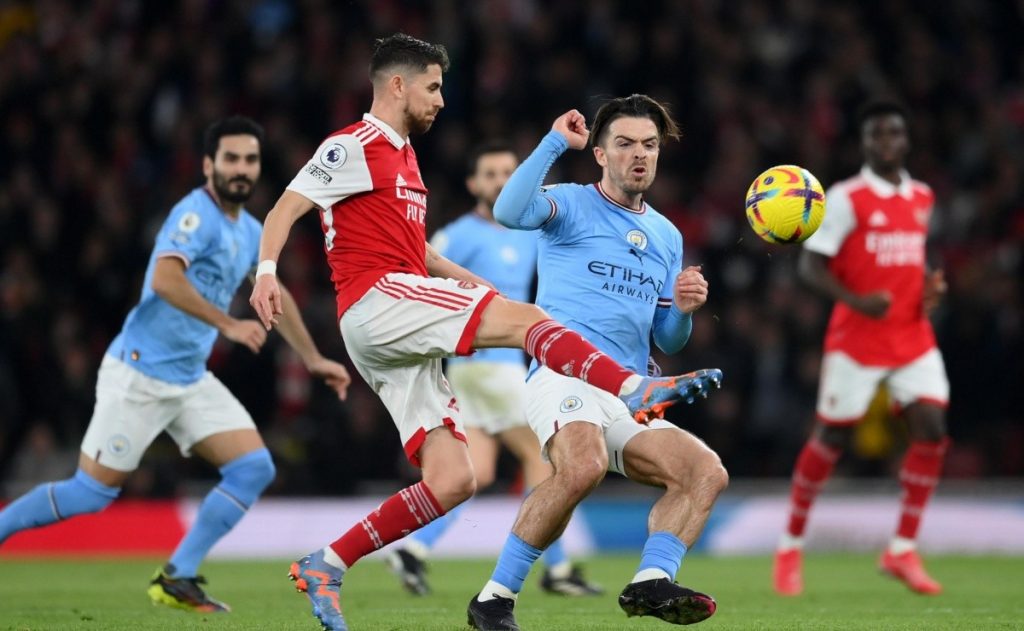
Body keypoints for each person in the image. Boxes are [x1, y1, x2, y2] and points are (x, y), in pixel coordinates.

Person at [248, 35, 721, 631]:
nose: (441, 101)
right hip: (376, 301)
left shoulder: (404, 160)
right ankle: (635, 389)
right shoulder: (356, 143)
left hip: (394, 320)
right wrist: (267, 272)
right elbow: (285, 207)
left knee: (455, 480)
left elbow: (421, 254)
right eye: (434, 86)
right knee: (535, 330)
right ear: (398, 85)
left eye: (649, 145)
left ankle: (329, 562)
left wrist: (486, 293)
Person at [0, 116, 351, 612]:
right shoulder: (194, 215)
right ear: (208, 164)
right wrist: (228, 325)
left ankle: (178, 576)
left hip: (188, 380)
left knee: (253, 467)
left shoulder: (250, 230)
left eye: (250, 159)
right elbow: (165, 279)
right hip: (140, 375)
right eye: (230, 158)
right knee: (90, 494)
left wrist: (313, 358)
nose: (241, 169)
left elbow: (276, 293)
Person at [465, 95, 728, 631]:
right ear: (601, 155)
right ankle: (494, 599)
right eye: (626, 144)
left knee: (705, 473)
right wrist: (555, 141)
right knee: (581, 466)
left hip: (629, 393)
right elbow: (509, 211)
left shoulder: (666, 235)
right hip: (564, 376)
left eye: (649, 146)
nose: (640, 155)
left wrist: (681, 308)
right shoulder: (569, 204)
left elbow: (668, 340)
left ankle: (651, 581)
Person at [386, 142, 602, 598]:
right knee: (544, 455)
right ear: (473, 184)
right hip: (485, 364)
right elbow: (417, 265)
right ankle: (557, 569)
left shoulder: (526, 231)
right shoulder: (459, 235)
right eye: (490, 173)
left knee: (477, 473)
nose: (501, 180)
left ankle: (413, 549)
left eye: (509, 172)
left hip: (493, 370)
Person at [772, 100, 951, 597]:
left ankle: (902, 550)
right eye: (877, 135)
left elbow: (909, 258)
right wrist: (857, 300)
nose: (887, 142)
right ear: (866, 142)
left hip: (912, 337)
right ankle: (790, 545)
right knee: (830, 438)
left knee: (932, 429)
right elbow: (810, 266)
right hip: (857, 340)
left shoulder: (922, 196)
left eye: (895, 133)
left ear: (906, 139)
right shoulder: (846, 198)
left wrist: (928, 289)